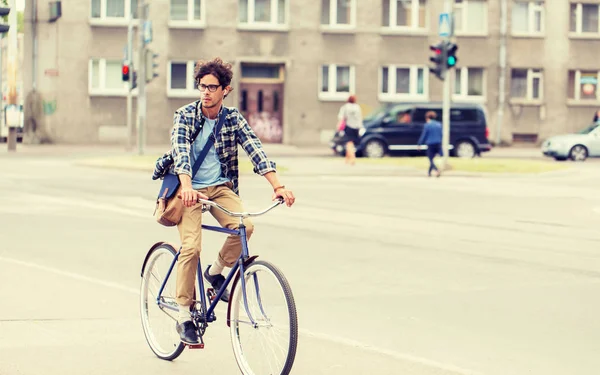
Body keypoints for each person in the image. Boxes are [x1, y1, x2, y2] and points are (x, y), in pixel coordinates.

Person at [167, 57, 296, 345]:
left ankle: (214, 273)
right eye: (202, 87)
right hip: (190, 190)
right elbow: (181, 152)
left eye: (212, 87)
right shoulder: (185, 115)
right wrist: (187, 186)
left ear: (225, 89)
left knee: (245, 227)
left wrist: (279, 186)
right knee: (191, 247)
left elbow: (255, 150)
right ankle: (184, 314)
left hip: (220, 188)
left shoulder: (233, 118)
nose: (206, 93)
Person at [337, 95, 363, 165]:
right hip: (356, 127)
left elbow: (341, 117)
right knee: (352, 143)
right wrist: (360, 127)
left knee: (349, 143)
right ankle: (347, 159)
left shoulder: (345, 107)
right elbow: (360, 118)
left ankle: (352, 158)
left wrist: (339, 126)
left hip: (349, 126)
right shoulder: (358, 107)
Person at [417, 111, 443, 177]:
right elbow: (441, 134)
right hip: (438, 143)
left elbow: (424, 135)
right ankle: (429, 172)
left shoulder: (427, 125)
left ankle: (436, 170)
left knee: (430, 158)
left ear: (427, 117)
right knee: (433, 158)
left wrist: (419, 144)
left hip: (430, 143)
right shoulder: (439, 124)